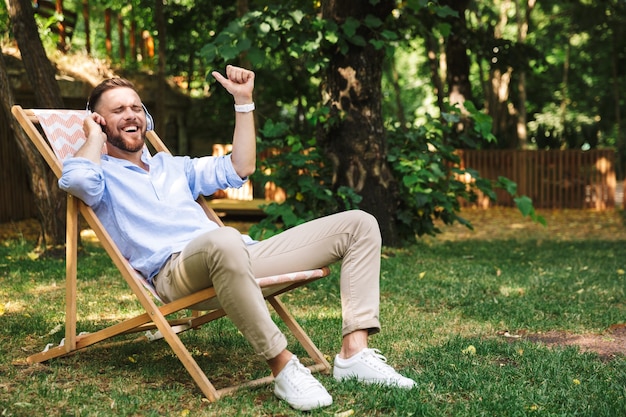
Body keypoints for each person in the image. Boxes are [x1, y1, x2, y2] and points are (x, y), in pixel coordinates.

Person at [59, 65, 415, 411]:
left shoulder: (173, 166)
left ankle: (354, 353)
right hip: (176, 272)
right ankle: (283, 365)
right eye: (118, 110)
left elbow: (239, 167)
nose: (131, 114)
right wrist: (92, 135)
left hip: (238, 257)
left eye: (136, 107)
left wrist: (243, 102)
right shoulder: (99, 174)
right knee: (224, 239)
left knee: (359, 223)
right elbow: (77, 183)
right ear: (100, 119)